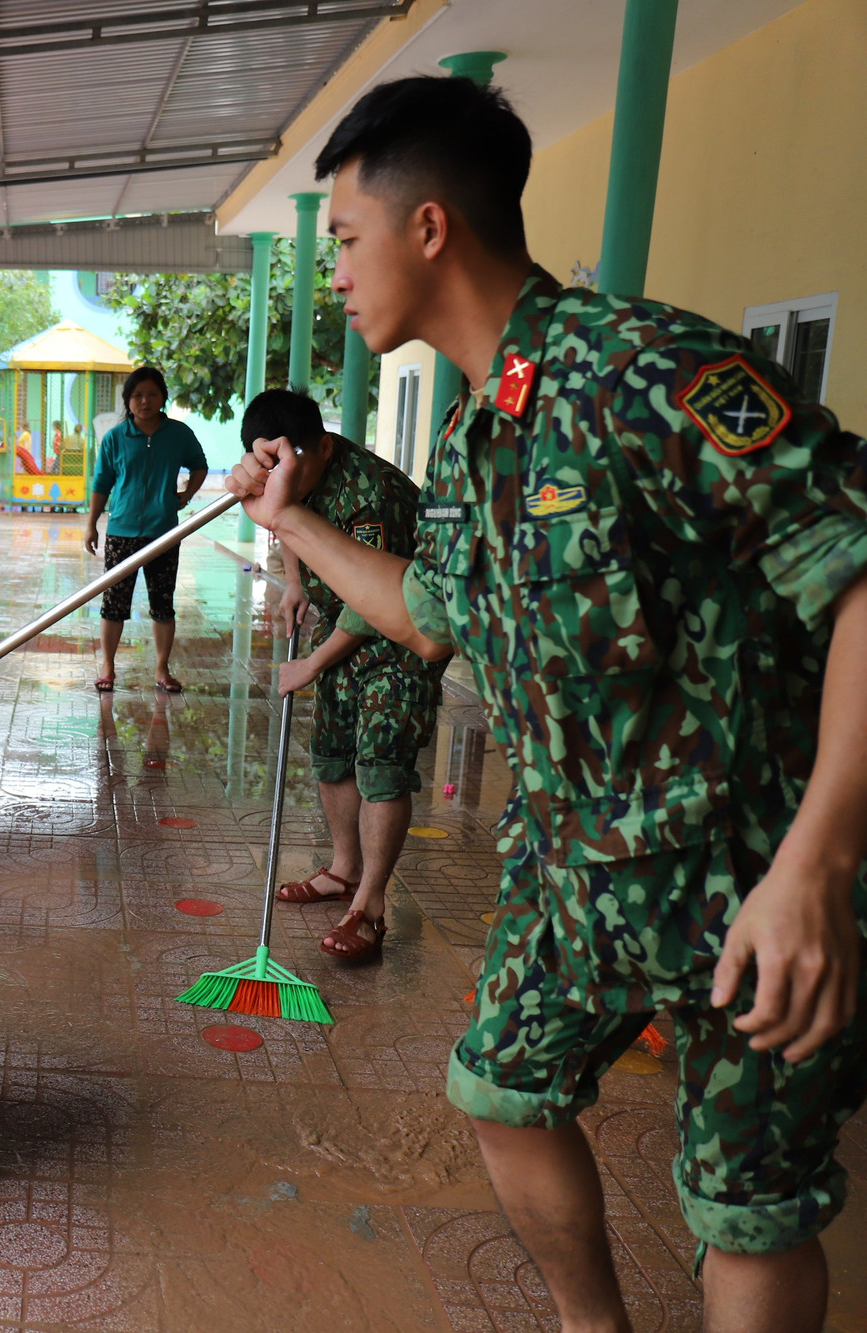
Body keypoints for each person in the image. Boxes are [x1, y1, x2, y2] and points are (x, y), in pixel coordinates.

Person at [228, 75, 867, 1329]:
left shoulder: (645, 371)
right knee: (497, 1092)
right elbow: (427, 615)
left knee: (743, 1204)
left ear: (428, 230)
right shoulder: (480, 432)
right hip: (576, 871)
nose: (335, 275)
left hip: (747, 871)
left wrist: (816, 868)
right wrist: (290, 517)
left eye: (346, 241)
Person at [247, 388, 444, 962]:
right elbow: (287, 526)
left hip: (400, 639)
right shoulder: (289, 472)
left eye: (286, 467)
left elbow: (371, 606)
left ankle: (371, 903)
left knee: (381, 761)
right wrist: (295, 583)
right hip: (341, 628)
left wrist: (311, 662)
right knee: (333, 750)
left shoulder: (372, 495)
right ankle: (341, 870)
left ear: (323, 448)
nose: (275, 479)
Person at [83, 366, 206, 693]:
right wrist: (92, 525)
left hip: (164, 532)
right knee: (114, 604)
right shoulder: (115, 438)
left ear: (163, 396)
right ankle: (108, 668)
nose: (145, 401)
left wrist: (188, 493)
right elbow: (101, 483)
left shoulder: (179, 434)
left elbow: (199, 464)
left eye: (152, 394)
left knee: (163, 604)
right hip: (121, 532)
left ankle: (162, 670)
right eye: (137, 395)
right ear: (128, 400)